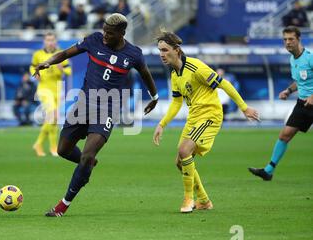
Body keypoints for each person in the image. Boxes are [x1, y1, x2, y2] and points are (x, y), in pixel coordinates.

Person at [33, 13, 158, 217]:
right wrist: (48, 62)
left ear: (122, 33)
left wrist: (154, 95)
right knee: (63, 150)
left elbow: (145, 73)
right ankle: (87, 165)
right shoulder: (93, 40)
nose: (105, 35)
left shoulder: (133, 54)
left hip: (107, 109)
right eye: (104, 31)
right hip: (83, 103)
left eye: (110, 33)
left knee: (88, 154)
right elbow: (65, 53)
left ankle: (62, 205)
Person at [152, 31, 259, 213]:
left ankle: (188, 200)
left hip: (210, 115)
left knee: (184, 150)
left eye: (165, 50)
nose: (162, 54)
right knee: (180, 161)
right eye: (159, 50)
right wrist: (162, 124)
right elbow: (177, 101)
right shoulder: (175, 74)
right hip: (194, 118)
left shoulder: (195, 67)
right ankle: (204, 200)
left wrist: (244, 108)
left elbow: (224, 84)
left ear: (177, 50)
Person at [249, 26, 313, 181]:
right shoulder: (293, 59)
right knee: (284, 135)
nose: (288, 42)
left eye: (291, 39)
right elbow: (299, 81)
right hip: (303, 104)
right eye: (285, 39)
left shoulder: (310, 57)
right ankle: (268, 171)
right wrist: (288, 91)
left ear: (298, 39)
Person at [30, 32, 72, 156]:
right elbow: (32, 67)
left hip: (57, 90)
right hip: (44, 89)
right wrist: (36, 74)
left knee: (52, 120)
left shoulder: (61, 54)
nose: (50, 42)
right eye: (48, 40)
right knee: (52, 115)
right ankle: (44, 145)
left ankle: (49, 147)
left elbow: (69, 70)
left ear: (55, 41)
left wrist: (62, 69)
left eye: (52, 40)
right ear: (44, 41)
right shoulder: (38, 54)